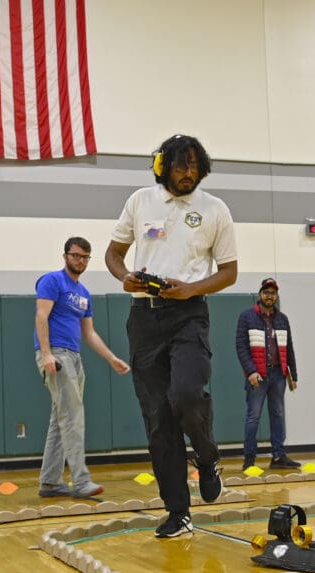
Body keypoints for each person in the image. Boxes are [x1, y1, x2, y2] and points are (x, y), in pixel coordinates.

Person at [104, 134, 238, 538]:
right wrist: (123, 276)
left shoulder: (215, 210)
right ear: (163, 166)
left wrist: (193, 289)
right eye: (181, 165)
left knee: (185, 393)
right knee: (159, 421)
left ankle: (208, 455)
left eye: (195, 166)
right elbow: (113, 253)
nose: (189, 173)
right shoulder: (140, 201)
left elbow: (229, 272)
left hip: (189, 315)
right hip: (144, 320)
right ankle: (178, 512)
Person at [35, 236, 131, 498]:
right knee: (73, 417)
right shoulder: (52, 281)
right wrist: (45, 355)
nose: (80, 260)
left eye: (85, 257)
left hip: (74, 357)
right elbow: (41, 316)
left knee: (60, 419)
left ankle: (50, 482)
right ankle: (80, 482)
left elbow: (89, 333)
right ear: (65, 255)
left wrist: (111, 358)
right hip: (56, 355)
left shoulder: (84, 294)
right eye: (75, 255)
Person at [235, 277, 301, 470]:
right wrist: (251, 371)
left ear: (276, 296)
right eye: (266, 292)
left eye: (273, 293)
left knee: (278, 415)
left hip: (278, 375)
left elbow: (289, 349)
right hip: (258, 376)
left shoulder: (282, 319)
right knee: (253, 416)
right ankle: (249, 460)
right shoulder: (246, 317)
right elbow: (241, 347)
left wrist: (293, 375)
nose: (269, 296)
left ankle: (278, 457)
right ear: (260, 294)